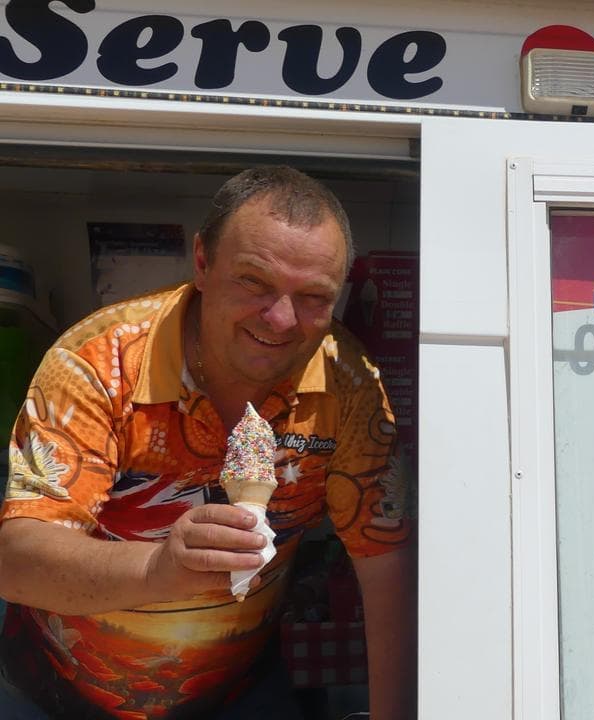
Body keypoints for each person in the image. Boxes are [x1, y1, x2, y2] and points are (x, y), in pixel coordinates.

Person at [0, 167, 415, 718]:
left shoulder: (349, 382)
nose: (281, 319)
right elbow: (18, 562)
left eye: (315, 296)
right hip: (56, 688)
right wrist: (159, 570)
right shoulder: (98, 362)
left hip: (239, 692)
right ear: (202, 262)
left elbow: (386, 566)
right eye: (254, 281)